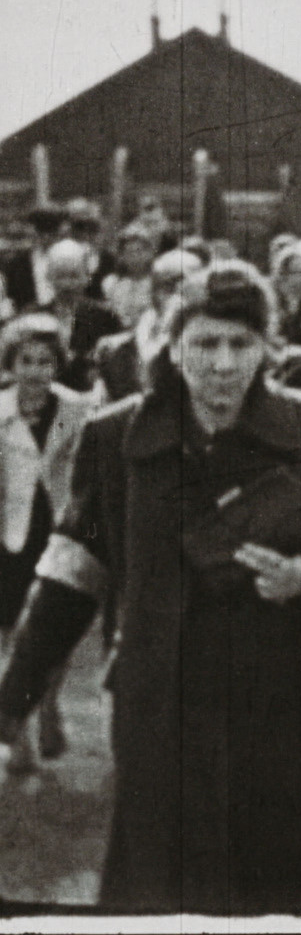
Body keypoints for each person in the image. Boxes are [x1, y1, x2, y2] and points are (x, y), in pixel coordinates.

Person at [0, 261, 301, 912]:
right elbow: (69, 575)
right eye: (205, 343)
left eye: (240, 343)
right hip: (161, 702)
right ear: (173, 347)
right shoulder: (115, 437)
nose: (224, 364)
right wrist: (13, 700)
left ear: (268, 348)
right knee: (161, 890)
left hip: (281, 697)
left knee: (291, 889)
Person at [0, 315, 95, 773]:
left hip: (58, 527)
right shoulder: (0, 410)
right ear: (11, 363)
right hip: (9, 533)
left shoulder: (78, 411)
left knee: (51, 629)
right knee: (11, 631)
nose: (36, 371)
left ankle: (47, 704)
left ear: (58, 364)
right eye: (26, 360)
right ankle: (17, 724)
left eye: (45, 361)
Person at [92, 249, 205, 403]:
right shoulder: (113, 350)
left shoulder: (210, 348)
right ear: (152, 291)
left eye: (185, 288)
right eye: (168, 287)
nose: (177, 297)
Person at [35, 239, 124, 392]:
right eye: (60, 276)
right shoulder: (35, 317)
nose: (67, 284)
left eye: (74, 276)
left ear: (87, 277)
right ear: (48, 277)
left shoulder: (105, 317)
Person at [1, 207, 68, 312]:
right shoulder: (16, 263)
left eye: (50, 231)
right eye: (40, 231)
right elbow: (11, 298)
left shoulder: (69, 257)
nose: (46, 237)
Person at [102, 223, 161, 328]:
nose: (135, 258)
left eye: (140, 251)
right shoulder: (112, 282)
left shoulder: (157, 283)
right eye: (129, 252)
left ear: (150, 253)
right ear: (121, 256)